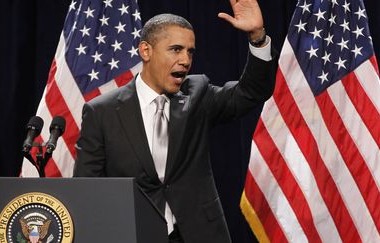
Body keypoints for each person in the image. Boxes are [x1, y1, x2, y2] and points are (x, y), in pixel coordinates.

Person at [74, 0, 277, 242]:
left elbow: (250, 92)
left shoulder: (198, 94)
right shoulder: (102, 112)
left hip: (199, 234)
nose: (185, 60)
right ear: (146, 51)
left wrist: (257, 37)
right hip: (134, 234)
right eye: (176, 49)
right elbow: (88, 189)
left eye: (190, 51)